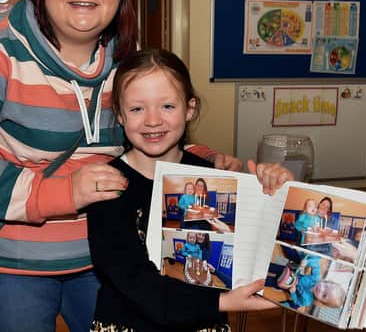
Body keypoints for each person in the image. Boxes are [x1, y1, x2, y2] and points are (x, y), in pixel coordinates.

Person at [0, 0, 241, 332]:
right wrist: (63, 192)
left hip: (109, 254)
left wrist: (208, 160)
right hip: (12, 264)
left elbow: (149, 135)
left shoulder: (128, 58)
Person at [87, 49, 294, 331]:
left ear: (190, 109)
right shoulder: (106, 186)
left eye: (167, 106)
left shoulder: (213, 177)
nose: (152, 120)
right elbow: (132, 280)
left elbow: (259, 245)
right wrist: (222, 303)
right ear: (120, 115)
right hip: (130, 323)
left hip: (202, 321)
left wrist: (276, 189)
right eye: (137, 108)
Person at [267, 254, 346, 310]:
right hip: (291, 274)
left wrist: (293, 293)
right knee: (275, 268)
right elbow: (316, 265)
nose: (321, 289)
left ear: (321, 302)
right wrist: (307, 263)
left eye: (324, 295)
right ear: (326, 282)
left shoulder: (307, 301)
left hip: (288, 286)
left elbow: (297, 302)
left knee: (271, 281)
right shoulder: (316, 278)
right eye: (326, 286)